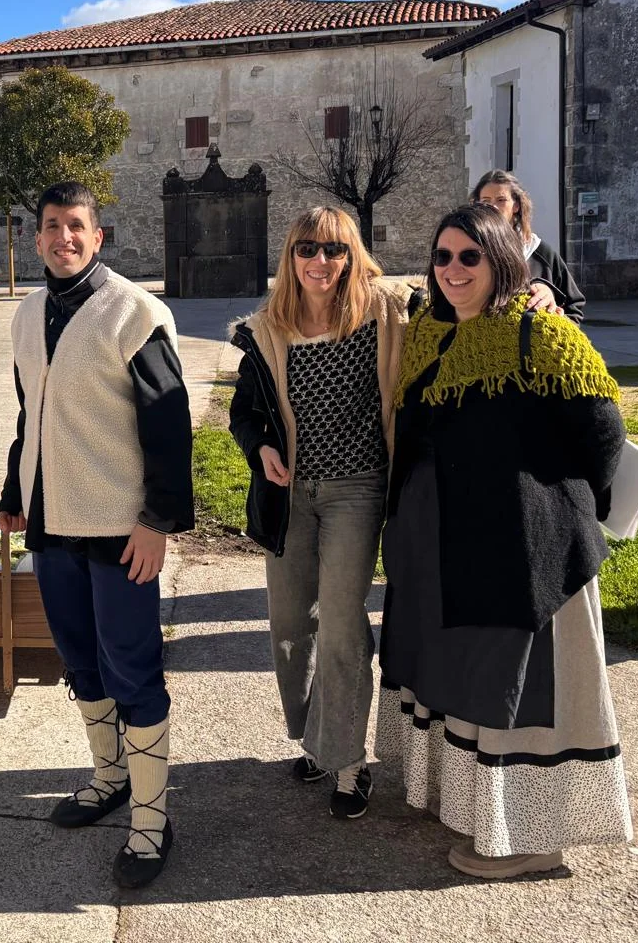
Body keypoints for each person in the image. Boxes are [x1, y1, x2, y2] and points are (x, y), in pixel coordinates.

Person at [376, 202, 631, 879]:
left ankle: (531, 838)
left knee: (519, 692)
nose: (454, 269)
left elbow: (603, 432)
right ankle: (468, 808)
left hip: (524, 551)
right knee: (462, 678)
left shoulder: (538, 332)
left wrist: (563, 513)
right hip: (447, 548)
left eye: (470, 256)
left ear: (502, 261)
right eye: (443, 256)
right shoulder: (429, 331)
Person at [0, 181, 193, 889]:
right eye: (52, 226)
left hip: (118, 525)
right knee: (79, 660)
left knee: (132, 668)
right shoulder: (27, 314)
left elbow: (169, 425)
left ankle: (152, 818)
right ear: (37, 237)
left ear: (98, 235)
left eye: (76, 225)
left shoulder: (133, 312)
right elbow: (32, 411)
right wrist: (13, 491)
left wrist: (158, 520)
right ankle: (110, 776)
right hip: (52, 522)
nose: (64, 238)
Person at [227, 206, 410, 819]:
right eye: (307, 249)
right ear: (291, 257)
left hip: (358, 489)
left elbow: (459, 288)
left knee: (340, 621)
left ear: (352, 255)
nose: (320, 261)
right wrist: (261, 447)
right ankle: (318, 737)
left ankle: (348, 760)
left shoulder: (384, 313)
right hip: (290, 495)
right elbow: (245, 413)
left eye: (334, 249)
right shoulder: (266, 329)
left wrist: (544, 291)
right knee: (288, 626)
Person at [473, 169, 585, 319]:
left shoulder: (540, 253)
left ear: (516, 206)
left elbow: (573, 308)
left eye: (501, 200)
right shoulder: (466, 250)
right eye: (486, 201)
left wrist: (553, 320)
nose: (493, 207)